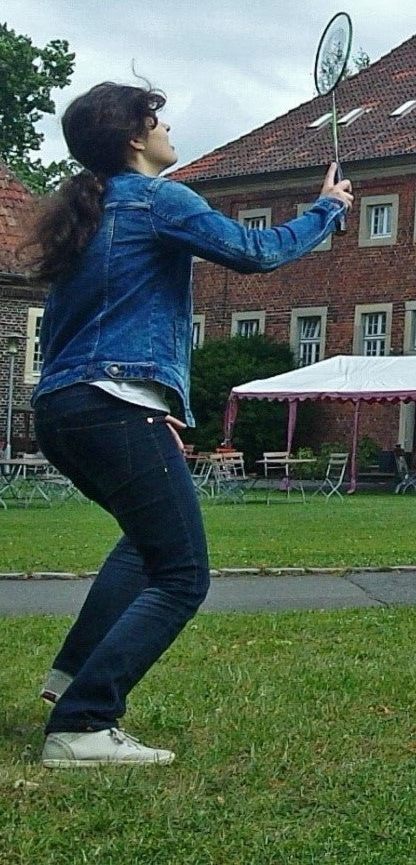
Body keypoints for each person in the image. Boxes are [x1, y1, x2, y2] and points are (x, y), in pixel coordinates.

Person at [24, 82, 353, 768]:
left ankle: (69, 681)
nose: (169, 126)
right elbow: (253, 251)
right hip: (111, 404)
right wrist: (328, 209)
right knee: (181, 574)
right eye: (157, 118)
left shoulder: (82, 219)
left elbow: (62, 334)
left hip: (65, 409)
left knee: (144, 545)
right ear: (135, 139)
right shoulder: (158, 198)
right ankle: (85, 722)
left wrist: (143, 405)